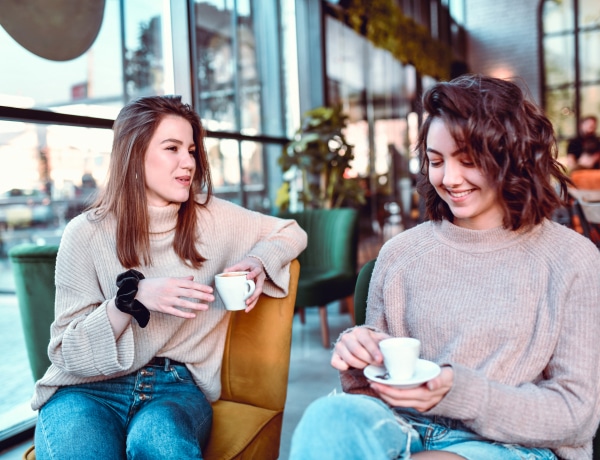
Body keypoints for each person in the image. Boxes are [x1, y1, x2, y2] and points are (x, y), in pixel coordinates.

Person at [289, 74, 600, 460]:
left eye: (468, 161)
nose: (449, 179)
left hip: (513, 446)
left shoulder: (573, 260)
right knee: (327, 417)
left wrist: (459, 392)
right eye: (436, 161)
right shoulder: (401, 253)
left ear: (512, 157)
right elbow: (373, 390)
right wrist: (360, 357)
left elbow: (577, 414)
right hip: (403, 428)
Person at [32, 95, 307, 459]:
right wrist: (131, 300)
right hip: (86, 390)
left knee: (161, 443)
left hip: (175, 388)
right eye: (172, 148)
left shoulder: (212, 217)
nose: (188, 162)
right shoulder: (86, 233)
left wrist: (258, 260)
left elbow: (291, 232)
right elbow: (67, 353)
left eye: (192, 150)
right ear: (134, 153)